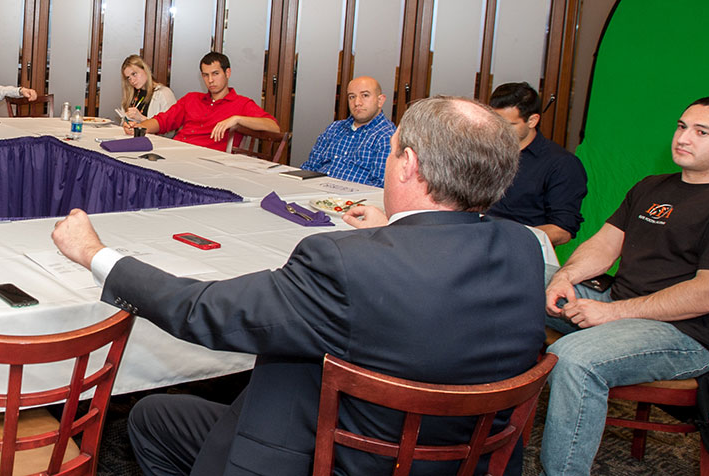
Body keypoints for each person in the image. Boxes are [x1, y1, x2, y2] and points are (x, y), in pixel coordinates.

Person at [54, 97, 544, 475]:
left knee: (153, 418)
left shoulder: (343, 264)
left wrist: (96, 255)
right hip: (466, 459)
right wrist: (390, 229)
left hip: (340, 459)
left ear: (408, 165)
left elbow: (203, 310)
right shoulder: (525, 249)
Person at [541, 96, 709, 476]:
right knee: (515, 280)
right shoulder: (652, 186)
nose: (684, 137)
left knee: (573, 358)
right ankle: (472, 422)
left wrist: (611, 313)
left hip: (684, 335)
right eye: (682, 126)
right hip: (616, 305)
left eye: (702, 132)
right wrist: (565, 277)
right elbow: (603, 245)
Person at [485, 82, 587, 246]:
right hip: (477, 241)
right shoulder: (484, 151)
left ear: (532, 120)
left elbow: (562, 229)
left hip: (521, 248)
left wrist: (508, 238)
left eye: (509, 125)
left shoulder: (561, 163)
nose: (498, 130)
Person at [122, 52, 279, 152]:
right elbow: (163, 121)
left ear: (228, 73)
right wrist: (139, 127)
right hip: (175, 153)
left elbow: (274, 128)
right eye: (205, 75)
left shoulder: (241, 104)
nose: (210, 80)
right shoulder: (192, 99)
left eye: (215, 74)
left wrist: (237, 119)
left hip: (207, 163)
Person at [298, 76, 396, 187]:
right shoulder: (335, 128)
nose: (357, 102)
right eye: (352, 97)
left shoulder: (387, 136)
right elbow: (310, 167)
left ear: (380, 101)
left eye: (365, 95)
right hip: (314, 192)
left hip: (353, 200)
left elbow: (379, 186)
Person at [121, 54, 177, 122]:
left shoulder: (164, 93)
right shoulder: (131, 96)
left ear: (145, 69)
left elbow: (172, 126)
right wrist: (126, 125)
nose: (132, 80)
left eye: (134, 74)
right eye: (128, 78)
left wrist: (141, 118)